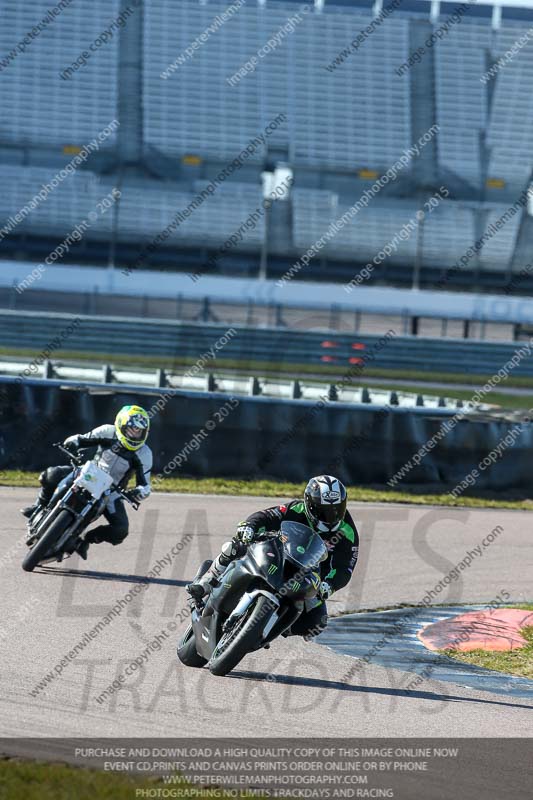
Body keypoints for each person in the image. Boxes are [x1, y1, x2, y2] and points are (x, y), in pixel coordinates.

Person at [187, 475, 359, 640]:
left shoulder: (348, 531)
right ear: (309, 503)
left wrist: (329, 585)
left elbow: (345, 568)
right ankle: (205, 582)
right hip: (278, 554)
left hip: (309, 574)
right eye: (323, 510)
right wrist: (249, 527)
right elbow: (266, 516)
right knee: (235, 546)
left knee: (316, 623)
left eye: (337, 510)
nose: (330, 516)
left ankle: (271, 627)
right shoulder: (296, 509)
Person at [21, 405, 153, 560]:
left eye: (139, 431)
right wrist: (73, 442)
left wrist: (139, 492)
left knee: (121, 530)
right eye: (132, 429)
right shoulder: (107, 431)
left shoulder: (144, 453)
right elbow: (82, 438)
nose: (135, 434)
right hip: (89, 473)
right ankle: (39, 506)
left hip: (111, 491)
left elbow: (145, 484)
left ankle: (85, 539)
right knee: (50, 474)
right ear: (120, 425)